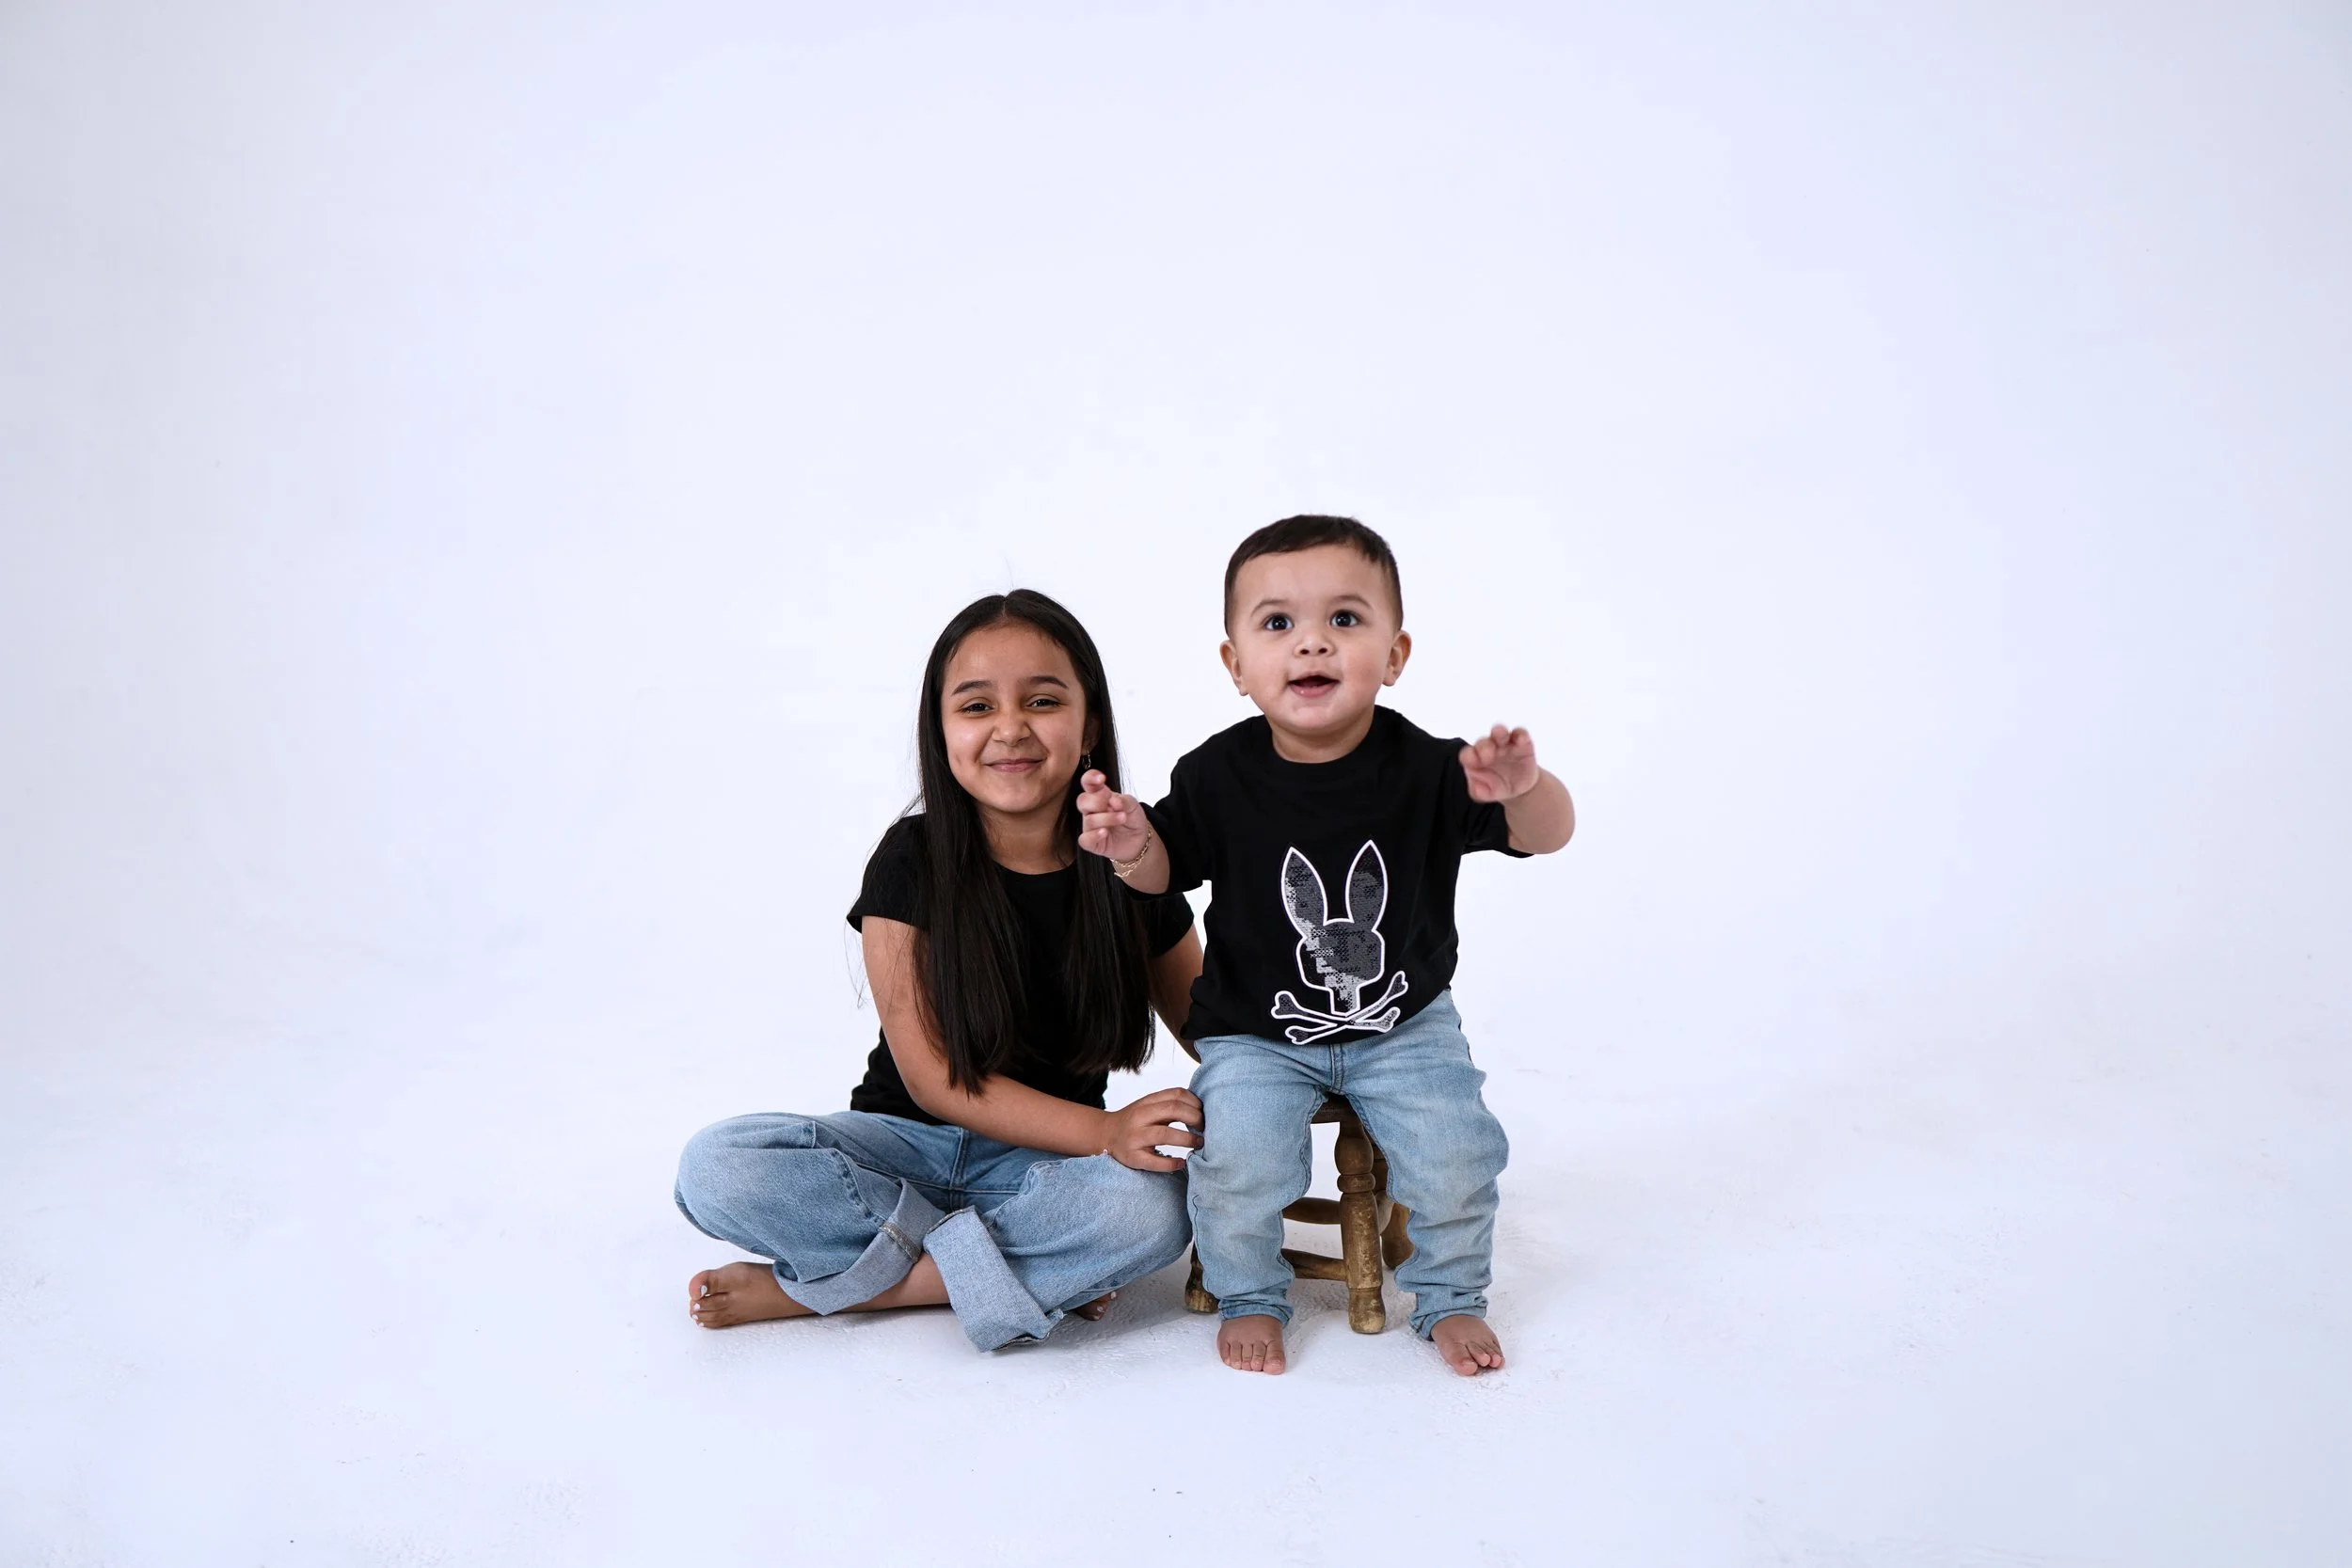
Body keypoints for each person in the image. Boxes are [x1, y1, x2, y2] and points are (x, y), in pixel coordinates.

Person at [1076, 515, 1576, 1376]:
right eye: (1278, 624)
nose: (1312, 642)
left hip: (1404, 1025)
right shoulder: (1215, 775)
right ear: (1236, 665)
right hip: (1255, 1034)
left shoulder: (1429, 767)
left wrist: (1526, 790)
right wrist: (1131, 846)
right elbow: (1165, 872)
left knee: (1459, 1152)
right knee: (1235, 1161)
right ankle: (1250, 1292)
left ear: (1395, 654)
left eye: (1344, 619)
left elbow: (1548, 835)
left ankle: (1452, 1295)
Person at [675, 589, 1204, 1351]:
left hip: (1040, 1164)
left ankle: (838, 1288)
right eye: (977, 706)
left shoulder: (1132, 855)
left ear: (1088, 724)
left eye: (1043, 700)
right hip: (896, 1148)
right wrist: (1108, 1128)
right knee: (717, 1166)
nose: (1011, 728)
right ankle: (1006, 1275)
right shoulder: (910, 858)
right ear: (943, 730)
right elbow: (931, 1079)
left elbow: (1212, 1027)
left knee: (1158, 1208)